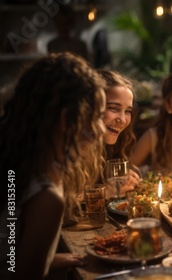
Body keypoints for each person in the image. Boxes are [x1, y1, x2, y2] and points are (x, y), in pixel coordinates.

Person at [0, 52, 106, 279]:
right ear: (67, 120)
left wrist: (63, 258)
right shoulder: (46, 198)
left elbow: (10, 256)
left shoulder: (17, 166)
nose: (101, 129)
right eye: (97, 116)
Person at [96, 69, 140, 199]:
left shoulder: (112, 147)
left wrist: (125, 181)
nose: (123, 120)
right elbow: (61, 199)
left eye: (128, 111)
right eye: (114, 108)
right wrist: (107, 192)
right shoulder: (72, 148)